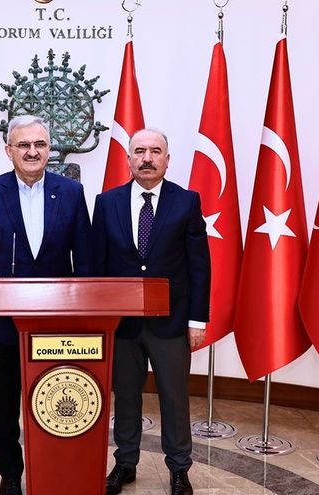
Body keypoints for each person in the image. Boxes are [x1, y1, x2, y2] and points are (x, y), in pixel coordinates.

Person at [0, 115, 92, 495]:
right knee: (4, 408)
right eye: (23, 145)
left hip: (57, 326)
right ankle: (10, 475)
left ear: (49, 150)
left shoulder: (71, 193)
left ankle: (52, 467)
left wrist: (84, 320)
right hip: (3, 326)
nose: (32, 151)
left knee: (55, 397)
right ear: (9, 151)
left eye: (39, 144)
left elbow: (85, 262)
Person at [92, 128, 210, 495]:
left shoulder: (186, 202)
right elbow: (96, 266)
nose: (147, 158)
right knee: (126, 396)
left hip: (171, 324)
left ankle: (179, 469)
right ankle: (125, 463)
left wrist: (197, 320)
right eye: (140, 151)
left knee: (174, 398)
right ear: (128, 159)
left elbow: (199, 266)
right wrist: (98, 320)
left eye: (155, 151)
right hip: (122, 325)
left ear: (167, 159)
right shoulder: (106, 203)